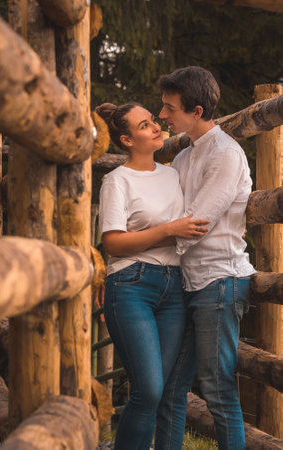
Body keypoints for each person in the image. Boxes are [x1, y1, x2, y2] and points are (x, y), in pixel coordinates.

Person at [154, 66, 256, 450]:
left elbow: (196, 223)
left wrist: (151, 247)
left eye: (170, 109)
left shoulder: (226, 155)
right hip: (186, 282)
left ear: (196, 112)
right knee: (170, 384)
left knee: (217, 388)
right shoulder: (183, 158)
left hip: (220, 282)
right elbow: (168, 217)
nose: (163, 116)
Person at [96, 102, 209, 450]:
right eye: (145, 125)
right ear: (127, 140)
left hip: (174, 287)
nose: (156, 127)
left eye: (153, 121)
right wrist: (169, 229)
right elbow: (113, 242)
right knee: (147, 390)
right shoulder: (117, 181)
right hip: (131, 286)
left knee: (163, 392)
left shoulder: (173, 174)